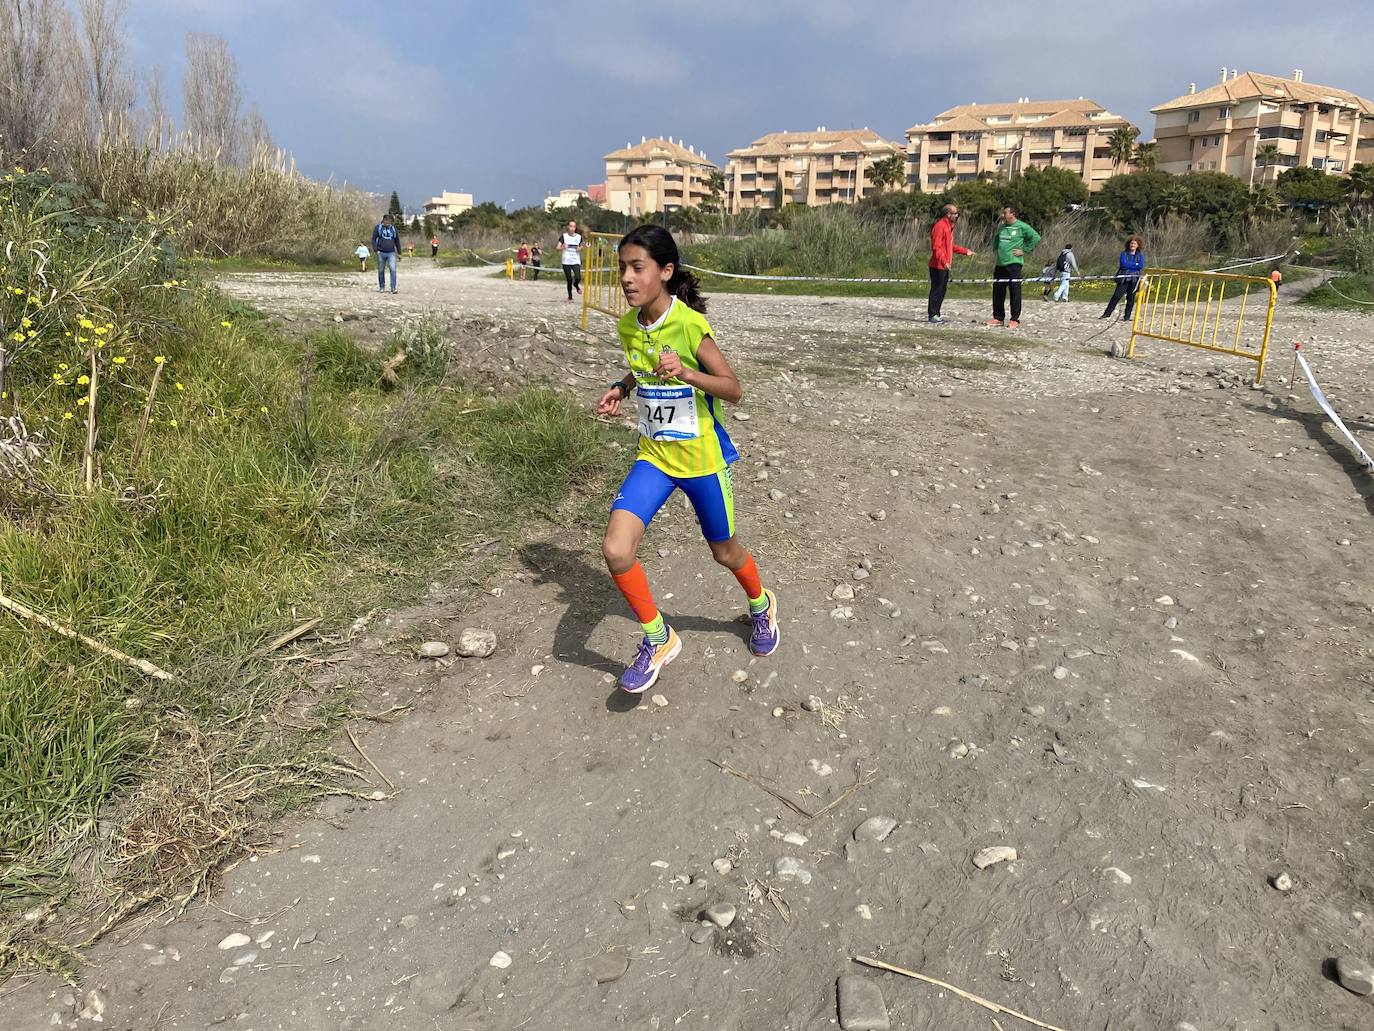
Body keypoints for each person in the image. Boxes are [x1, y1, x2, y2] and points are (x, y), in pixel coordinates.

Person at [595, 225, 779, 693]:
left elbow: (733, 389)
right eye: (622, 268)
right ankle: (659, 638)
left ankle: (761, 605)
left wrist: (689, 373)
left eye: (637, 268)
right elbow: (642, 367)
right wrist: (622, 388)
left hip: (701, 462)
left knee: (724, 552)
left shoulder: (690, 325)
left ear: (665, 271)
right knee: (616, 549)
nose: (627, 278)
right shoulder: (628, 326)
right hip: (655, 457)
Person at [988, 206, 1040, 329]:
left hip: (1014, 264)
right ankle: (998, 317)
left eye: (1005, 213)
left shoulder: (1022, 226)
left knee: (1015, 291)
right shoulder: (1002, 227)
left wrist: (1025, 250)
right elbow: (996, 239)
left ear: (1013, 214)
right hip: (1000, 264)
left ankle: (1014, 319)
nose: (1002, 215)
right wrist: (995, 249)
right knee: (998, 291)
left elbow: (1036, 237)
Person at [927, 204, 973, 323]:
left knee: (942, 290)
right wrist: (944, 261)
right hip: (938, 265)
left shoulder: (949, 227)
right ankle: (932, 314)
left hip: (945, 265)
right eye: (955, 213)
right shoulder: (940, 226)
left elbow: (950, 246)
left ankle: (937, 313)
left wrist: (965, 251)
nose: (957, 215)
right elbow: (936, 247)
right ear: (948, 214)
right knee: (937, 290)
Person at [1101, 236, 1145, 320]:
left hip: (1134, 279)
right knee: (1116, 296)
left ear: (1138, 245)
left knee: (1131, 298)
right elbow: (1123, 265)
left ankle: (1127, 317)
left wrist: (1132, 265)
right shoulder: (1124, 254)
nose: (1132, 245)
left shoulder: (1140, 256)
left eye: (1134, 244)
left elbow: (1140, 266)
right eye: (1131, 243)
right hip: (1123, 278)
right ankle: (1107, 314)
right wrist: (1134, 265)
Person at [372, 214, 400, 293]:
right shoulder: (378, 228)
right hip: (381, 252)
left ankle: (393, 288)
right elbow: (373, 239)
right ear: (383, 220)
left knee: (393, 270)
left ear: (391, 221)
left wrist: (399, 252)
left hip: (391, 253)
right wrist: (376, 250)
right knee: (381, 270)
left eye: (389, 221)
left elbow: (397, 241)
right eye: (386, 221)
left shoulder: (393, 229)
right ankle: (382, 287)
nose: (387, 222)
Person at [557, 219, 583, 302]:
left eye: (574, 227)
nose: (572, 228)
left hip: (575, 260)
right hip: (566, 261)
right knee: (569, 279)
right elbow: (557, 247)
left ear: (575, 228)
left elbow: (582, 246)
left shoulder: (579, 237)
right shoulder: (564, 236)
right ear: (568, 227)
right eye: (571, 226)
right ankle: (570, 297)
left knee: (578, 277)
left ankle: (576, 285)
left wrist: (580, 248)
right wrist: (562, 247)